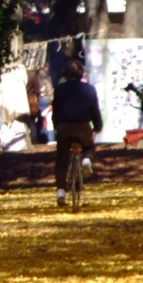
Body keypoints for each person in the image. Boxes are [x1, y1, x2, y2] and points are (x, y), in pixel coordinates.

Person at [50, 59, 103, 207]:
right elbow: (94, 111)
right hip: (82, 127)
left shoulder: (59, 90)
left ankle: (60, 191)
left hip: (64, 128)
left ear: (65, 74)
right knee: (89, 147)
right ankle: (86, 160)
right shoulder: (90, 89)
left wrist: (56, 126)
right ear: (81, 74)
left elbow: (56, 110)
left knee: (61, 161)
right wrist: (97, 126)